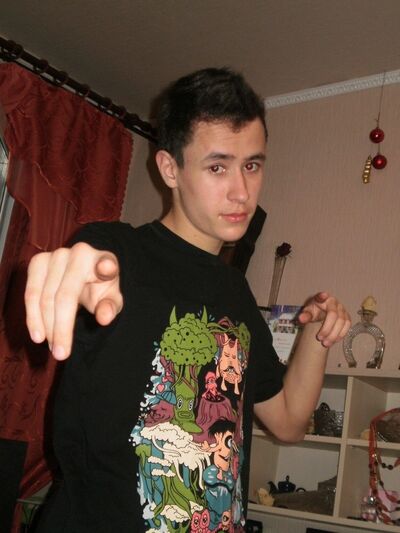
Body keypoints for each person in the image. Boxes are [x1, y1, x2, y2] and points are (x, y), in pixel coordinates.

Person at [25, 67, 351, 532]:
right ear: (169, 169)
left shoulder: (236, 294)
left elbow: (288, 423)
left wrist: (318, 336)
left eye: (252, 165)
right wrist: (76, 268)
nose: (242, 192)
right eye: (217, 167)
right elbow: (90, 263)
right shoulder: (117, 252)